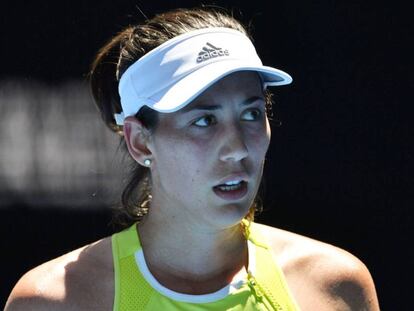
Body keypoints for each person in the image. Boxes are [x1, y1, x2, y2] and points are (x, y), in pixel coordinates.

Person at [5, 7, 380, 311]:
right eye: (204, 120)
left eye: (251, 114)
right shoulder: (54, 301)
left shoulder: (335, 285)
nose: (237, 147)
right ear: (141, 142)